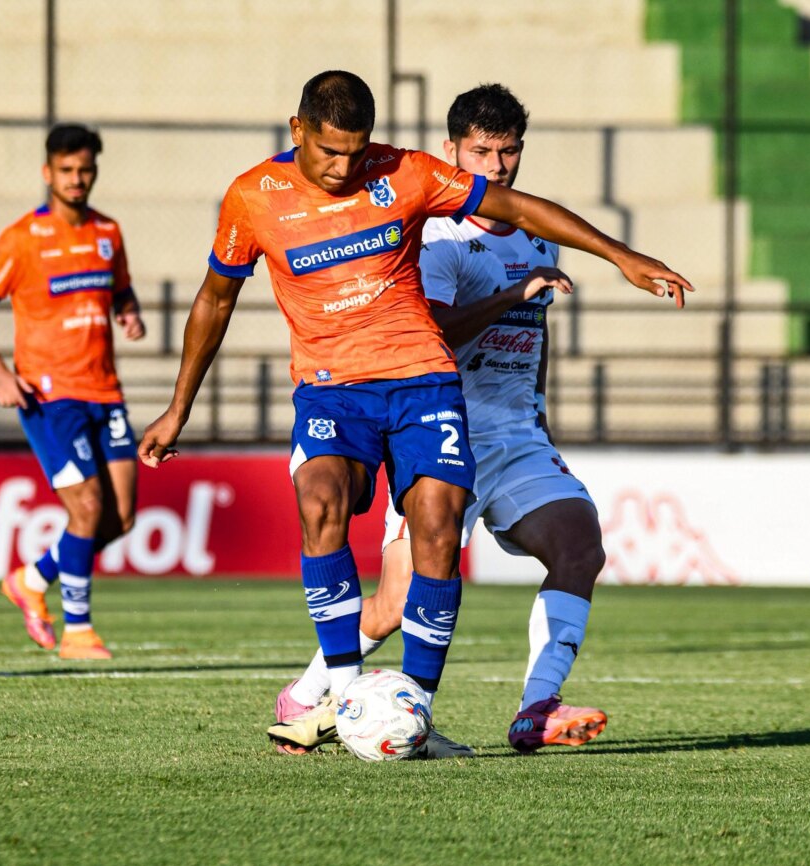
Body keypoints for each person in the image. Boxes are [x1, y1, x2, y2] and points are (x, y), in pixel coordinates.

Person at [137, 71, 691, 755]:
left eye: (355, 151)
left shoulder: (405, 174)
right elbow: (215, 299)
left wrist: (620, 256)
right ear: (297, 131)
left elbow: (519, 210)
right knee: (323, 508)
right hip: (333, 386)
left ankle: (431, 708)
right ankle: (332, 691)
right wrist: (177, 407)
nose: (343, 169)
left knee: (470, 529)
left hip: (429, 386)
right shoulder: (255, 198)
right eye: (328, 153)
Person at [278, 84, 613, 757]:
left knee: (580, 544)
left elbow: (529, 341)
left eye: (507, 150)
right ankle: (310, 695)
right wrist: (512, 294)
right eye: (480, 151)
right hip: (436, 423)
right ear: (451, 152)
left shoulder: (536, 236)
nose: (495, 165)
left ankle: (536, 706)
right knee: (395, 604)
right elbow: (430, 330)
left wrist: (536, 409)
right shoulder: (436, 237)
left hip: (514, 435)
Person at [0, 123, 146, 661]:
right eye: (66, 170)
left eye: (85, 169)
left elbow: (120, 287)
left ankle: (31, 579)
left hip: (105, 393)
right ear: (48, 173)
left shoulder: (108, 232)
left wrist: (127, 310)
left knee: (121, 519)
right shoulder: (22, 239)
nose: (76, 179)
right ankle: (78, 631)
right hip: (49, 397)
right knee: (86, 508)